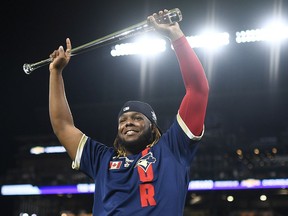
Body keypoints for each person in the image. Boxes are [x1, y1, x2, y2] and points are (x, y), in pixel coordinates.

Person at [49, 9, 209, 216]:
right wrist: (56, 73)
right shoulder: (101, 159)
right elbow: (62, 126)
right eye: (122, 120)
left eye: (137, 118)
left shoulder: (172, 149)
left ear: (153, 127)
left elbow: (198, 91)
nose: (128, 123)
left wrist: (175, 35)